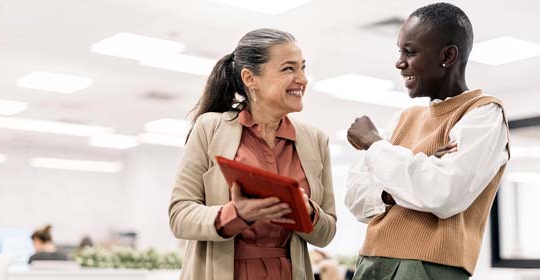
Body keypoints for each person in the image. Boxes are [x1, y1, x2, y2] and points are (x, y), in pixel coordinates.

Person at [344, 3, 510, 280]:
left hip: (427, 266)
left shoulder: (483, 114)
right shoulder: (404, 118)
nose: (399, 62)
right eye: (400, 51)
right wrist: (415, 171)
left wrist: (374, 146)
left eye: (410, 52)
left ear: (447, 56)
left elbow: (442, 193)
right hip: (371, 259)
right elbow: (356, 199)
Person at [168, 28, 336, 280]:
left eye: (302, 67)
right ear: (250, 78)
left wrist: (306, 211)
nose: (302, 78)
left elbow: (327, 231)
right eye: (289, 69)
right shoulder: (210, 128)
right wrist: (236, 214)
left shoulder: (315, 140)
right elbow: (179, 215)